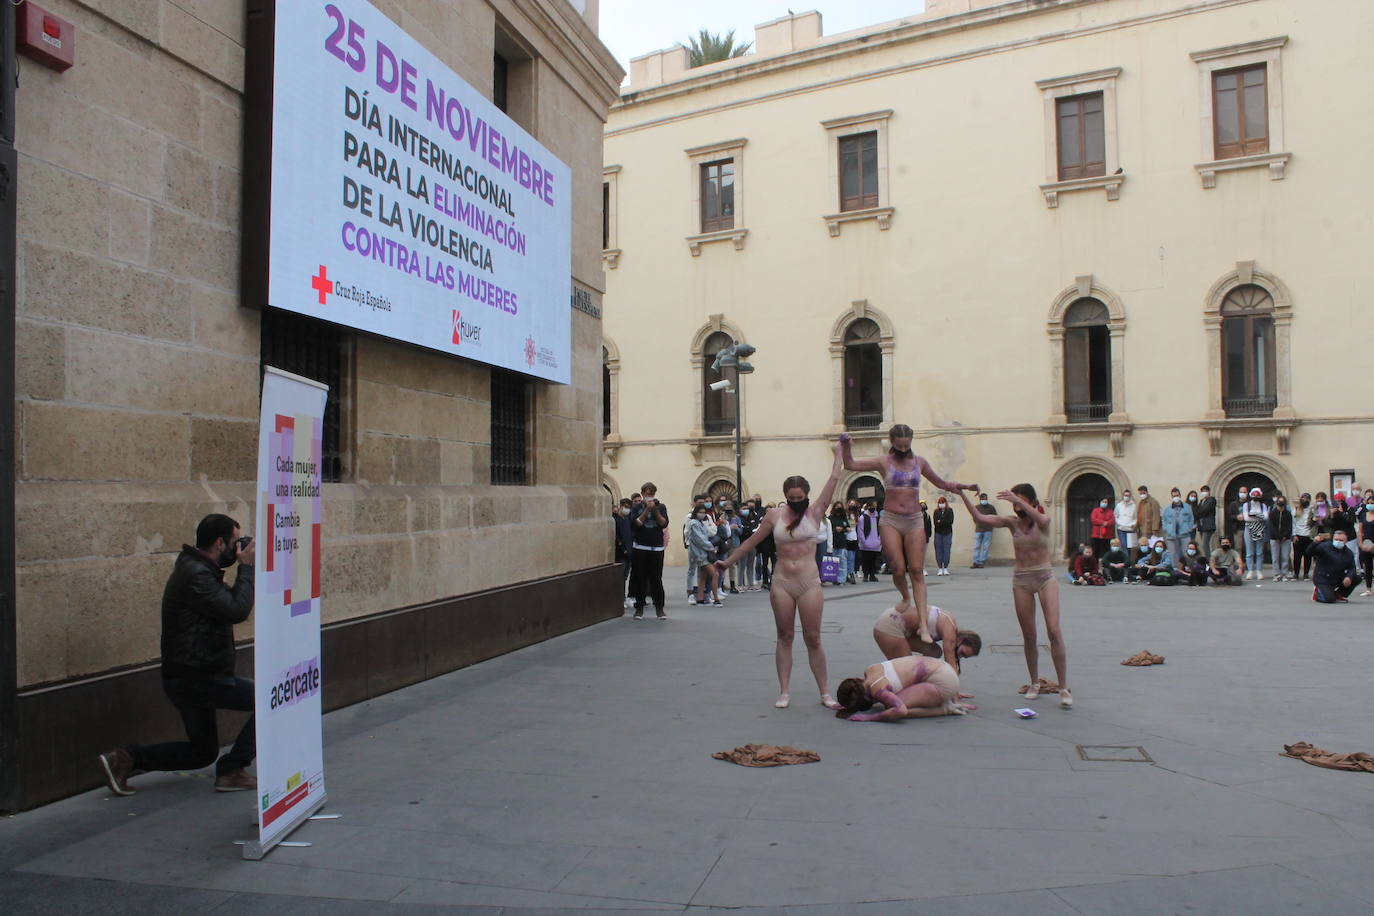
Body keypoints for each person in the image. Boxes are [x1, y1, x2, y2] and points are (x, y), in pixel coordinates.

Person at [98, 514, 257, 796]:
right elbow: (236, 610)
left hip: (190, 674)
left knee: (201, 753)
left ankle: (126, 759)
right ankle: (232, 770)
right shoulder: (196, 574)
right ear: (220, 543)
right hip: (199, 677)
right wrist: (246, 568)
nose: (237, 550)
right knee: (269, 700)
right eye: (235, 543)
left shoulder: (199, 568)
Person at [714, 443, 847, 709]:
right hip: (782, 582)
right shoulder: (774, 515)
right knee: (785, 635)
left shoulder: (816, 511)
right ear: (786, 496)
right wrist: (727, 562)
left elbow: (834, 478)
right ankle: (784, 691)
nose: (797, 502)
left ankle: (825, 693)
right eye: (792, 498)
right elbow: (751, 542)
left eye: (801, 497)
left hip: (809, 582)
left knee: (814, 638)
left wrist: (839, 452)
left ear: (807, 495)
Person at [842, 424, 975, 643]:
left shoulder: (919, 462)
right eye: (899, 445)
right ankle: (905, 596)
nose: (904, 448)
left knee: (916, 570)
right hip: (891, 519)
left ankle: (923, 625)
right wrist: (846, 445)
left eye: (907, 444)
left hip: (914, 520)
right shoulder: (883, 461)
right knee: (896, 567)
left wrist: (963, 486)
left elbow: (941, 483)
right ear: (892, 442)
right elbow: (850, 464)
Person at [957, 485, 1072, 708]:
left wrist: (1022, 502)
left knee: (1054, 631)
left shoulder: (1042, 521)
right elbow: (979, 517)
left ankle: (1064, 687)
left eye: (1020, 501)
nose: (1016, 505)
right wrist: (961, 493)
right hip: (1021, 580)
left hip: (1045, 577)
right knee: (1029, 635)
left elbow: (1043, 519)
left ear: (1031, 500)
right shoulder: (1012, 522)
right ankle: (1034, 682)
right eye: (1014, 502)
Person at [834, 655, 969, 721]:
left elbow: (901, 711)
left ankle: (945, 709)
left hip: (943, 683)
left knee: (891, 709)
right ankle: (942, 701)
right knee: (892, 702)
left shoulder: (878, 690)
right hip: (942, 669)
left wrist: (870, 718)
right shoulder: (869, 670)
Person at [871, 604, 982, 673]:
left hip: (899, 625)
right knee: (906, 670)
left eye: (964, 656)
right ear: (961, 640)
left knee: (935, 651)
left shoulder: (950, 629)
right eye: (961, 652)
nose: (959, 656)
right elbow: (951, 666)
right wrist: (954, 695)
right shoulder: (950, 632)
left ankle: (919, 676)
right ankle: (878, 681)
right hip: (890, 624)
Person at [628, 482, 669, 619]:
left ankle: (659, 608)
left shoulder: (661, 507)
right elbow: (636, 524)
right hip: (640, 547)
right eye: (646, 493)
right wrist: (646, 510)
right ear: (642, 493)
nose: (649, 495)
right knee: (640, 578)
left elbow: (663, 523)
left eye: (651, 493)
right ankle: (639, 608)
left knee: (656, 578)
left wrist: (655, 510)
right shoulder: (636, 507)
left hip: (657, 548)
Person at [1309, 532, 1360, 603]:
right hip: (1324, 579)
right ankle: (1318, 593)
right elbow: (1309, 552)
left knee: (1357, 577)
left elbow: (1352, 567)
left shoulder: (1348, 553)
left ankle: (1338, 594)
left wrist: (1349, 577)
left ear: (1346, 541)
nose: (1338, 542)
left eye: (1341, 540)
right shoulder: (1324, 547)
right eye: (1336, 539)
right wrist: (1315, 543)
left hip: (1338, 577)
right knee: (1329, 599)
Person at [688, 505, 721, 606]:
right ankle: (716, 599)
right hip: (700, 554)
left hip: (703, 553)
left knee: (703, 576)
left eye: (704, 512)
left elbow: (708, 534)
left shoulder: (701, 523)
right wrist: (711, 547)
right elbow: (700, 539)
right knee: (715, 574)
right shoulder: (694, 524)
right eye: (700, 512)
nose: (702, 514)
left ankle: (700, 598)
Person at [1161, 491, 1195, 567]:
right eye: (1174, 496)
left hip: (1184, 534)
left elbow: (1191, 519)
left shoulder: (1187, 507)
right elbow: (1163, 519)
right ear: (1171, 497)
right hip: (1171, 535)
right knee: (1173, 553)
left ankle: (1187, 567)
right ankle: (1175, 569)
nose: (1176, 497)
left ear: (1180, 495)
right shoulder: (1167, 509)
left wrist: (1189, 528)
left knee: (1186, 552)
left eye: (1177, 495)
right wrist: (1166, 529)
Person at [1267, 495, 1295, 581]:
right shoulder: (1272, 513)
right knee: (1275, 557)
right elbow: (1271, 526)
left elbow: (1289, 526)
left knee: (1285, 556)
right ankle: (1277, 574)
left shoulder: (1288, 514)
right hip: (1274, 538)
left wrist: (1285, 536)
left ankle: (1284, 573)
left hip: (1285, 538)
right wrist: (1277, 536)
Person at [613, 498, 635, 608]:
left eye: (629, 507)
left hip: (629, 553)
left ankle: (625, 597)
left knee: (625, 576)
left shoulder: (627, 519)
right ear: (620, 506)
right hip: (621, 553)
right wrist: (623, 548)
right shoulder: (616, 520)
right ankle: (620, 598)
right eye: (625, 506)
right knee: (620, 577)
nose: (627, 509)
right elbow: (617, 537)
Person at [737, 501, 759, 591]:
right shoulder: (739, 519)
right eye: (743, 509)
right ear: (740, 510)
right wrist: (748, 529)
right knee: (742, 565)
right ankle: (740, 584)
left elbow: (755, 527)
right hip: (743, 543)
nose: (746, 510)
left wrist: (748, 529)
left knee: (750, 564)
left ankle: (750, 584)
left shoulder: (752, 517)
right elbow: (743, 531)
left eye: (747, 509)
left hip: (752, 543)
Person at [1293, 493, 1316, 581]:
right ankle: (1296, 573)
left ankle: (1306, 573)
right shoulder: (1296, 508)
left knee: (1308, 555)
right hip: (1298, 535)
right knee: (1297, 556)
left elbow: (1314, 522)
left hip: (1308, 535)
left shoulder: (1312, 509)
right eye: (1303, 498)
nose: (1304, 500)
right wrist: (1294, 535)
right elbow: (1293, 522)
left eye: (1306, 498)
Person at [857, 501, 882, 581]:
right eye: (871, 506)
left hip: (876, 543)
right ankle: (865, 575)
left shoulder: (878, 517)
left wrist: (880, 540)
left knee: (873, 560)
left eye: (874, 506)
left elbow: (881, 529)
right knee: (865, 560)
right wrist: (863, 541)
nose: (872, 508)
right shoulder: (863, 517)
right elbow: (860, 530)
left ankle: (872, 575)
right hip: (866, 543)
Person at [829, 501, 851, 584]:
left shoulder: (843, 518)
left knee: (843, 561)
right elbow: (828, 529)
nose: (838, 508)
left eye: (840, 507)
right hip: (834, 543)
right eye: (837, 506)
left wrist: (843, 529)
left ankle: (842, 579)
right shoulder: (830, 518)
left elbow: (848, 528)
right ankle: (834, 578)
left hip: (842, 543)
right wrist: (835, 529)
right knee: (834, 562)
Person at [970, 492, 995, 567]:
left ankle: (981, 562)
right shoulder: (976, 507)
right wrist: (977, 523)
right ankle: (975, 562)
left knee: (985, 547)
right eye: (983, 499)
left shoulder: (991, 508)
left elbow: (995, 517)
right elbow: (974, 517)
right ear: (980, 499)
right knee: (976, 546)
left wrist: (991, 524)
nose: (984, 500)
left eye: (985, 499)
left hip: (988, 530)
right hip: (978, 530)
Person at [932, 496, 955, 576]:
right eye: (940, 503)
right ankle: (939, 568)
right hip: (938, 533)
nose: (942, 504)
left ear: (946, 503)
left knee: (947, 550)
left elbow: (950, 522)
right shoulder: (936, 511)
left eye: (943, 502)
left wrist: (940, 521)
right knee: (938, 550)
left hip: (947, 533)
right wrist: (943, 521)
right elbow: (935, 523)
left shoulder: (950, 511)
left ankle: (945, 567)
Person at [1359, 490, 1374, 596]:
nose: (1370, 505)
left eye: (1372, 503)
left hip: (1373, 544)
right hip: (1365, 544)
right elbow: (1360, 531)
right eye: (1368, 503)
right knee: (1368, 567)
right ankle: (1368, 589)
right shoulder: (1363, 515)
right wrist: (1361, 544)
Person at [1194, 487, 1218, 555]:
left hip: (1208, 525)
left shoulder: (1211, 500)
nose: (1204, 493)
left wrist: (1199, 512)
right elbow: (1197, 511)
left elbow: (1205, 509)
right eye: (1202, 491)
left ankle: (1209, 561)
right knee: (1204, 544)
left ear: (1208, 491)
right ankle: (1208, 560)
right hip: (1201, 525)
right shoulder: (1201, 501)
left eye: (1205, 491)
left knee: (1205, 545)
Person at [844, 505, 860, 584]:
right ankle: (850, 574)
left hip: (854, 538)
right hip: (848, 539)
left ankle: (848, 573)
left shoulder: (856, 517)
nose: (852, 511)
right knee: (849, 558)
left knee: (852, 558)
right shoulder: (846, 517)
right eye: (851, 510)